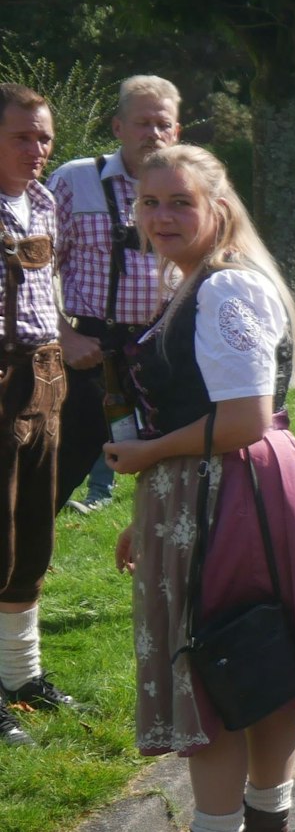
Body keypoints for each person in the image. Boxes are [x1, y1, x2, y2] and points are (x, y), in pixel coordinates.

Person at [98, 144, 295, 832]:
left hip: (226, 487)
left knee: (217, 668)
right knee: (256, 657)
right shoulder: (206, 282)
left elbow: (242, 419)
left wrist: (149, 458)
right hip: (229, 486)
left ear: (218, 205)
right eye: (150, 203)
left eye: (180, 201)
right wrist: (147, 512)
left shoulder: (225, 286)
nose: (162, 217)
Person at [47, 75, 178, 516]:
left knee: (182, 469)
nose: (154, 134)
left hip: (168, 348)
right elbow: (31, 272)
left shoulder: (193, 185)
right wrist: (64, 336)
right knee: (53, 472)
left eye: (163, 124)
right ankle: (20, 555)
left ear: (177, 130)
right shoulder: (75, 180)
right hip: (93, 352)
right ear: (118, 127)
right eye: (142, 123)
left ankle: (173, 552)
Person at [0, 84, 71, 749]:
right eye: (23, 136)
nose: (38, 148)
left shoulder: (44, 201)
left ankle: (21, 675)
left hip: (45, 380)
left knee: (32, 540)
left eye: (44, 136)